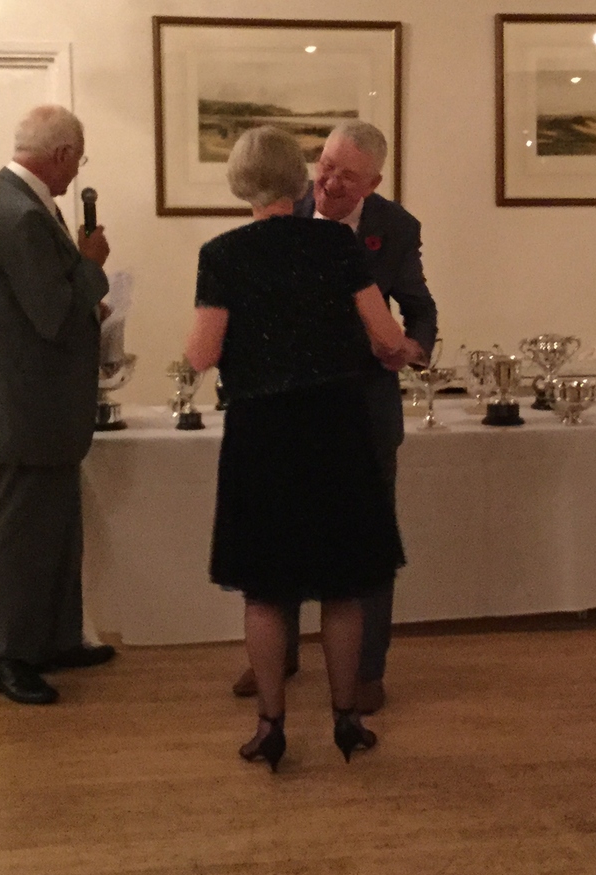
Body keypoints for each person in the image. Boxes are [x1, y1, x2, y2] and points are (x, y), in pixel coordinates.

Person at [185, 126, 414, 771]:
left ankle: (272, 725)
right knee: (342, 588)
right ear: (298, 178)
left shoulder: (222, 254)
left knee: (264, 589)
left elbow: (202, 354)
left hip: (262, 431)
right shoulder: (337, 244)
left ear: (239, 182)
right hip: (337, 427)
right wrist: (393, 350)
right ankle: (346, 720)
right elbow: (386, 337)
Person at [231, 120, 438, 713]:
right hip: (288, 409)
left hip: (364, 409)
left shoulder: (395, 229)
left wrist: (411, 349)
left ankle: (367, 671)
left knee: (364, 545)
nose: (328, 180)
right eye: (325, 164)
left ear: (373, 181)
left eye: (347, 174)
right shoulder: (279, 210)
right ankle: (278, 653)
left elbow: (420, 308)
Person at [0, 105, 115, 705]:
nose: (76, 172)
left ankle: (54, 639)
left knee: (55, 527)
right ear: (64, 154)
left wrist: (75, 268)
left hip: (28, 400)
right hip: (29, 404)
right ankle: (7, 658)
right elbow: (52, 314)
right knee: (22, 535)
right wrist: (91, 268)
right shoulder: (19, 215)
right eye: (79, 159)